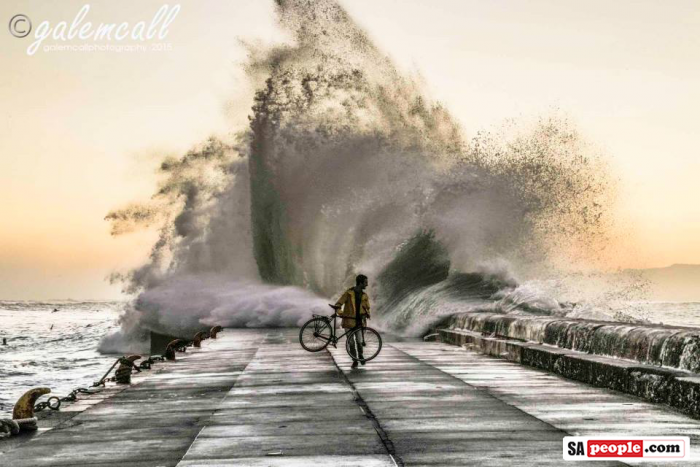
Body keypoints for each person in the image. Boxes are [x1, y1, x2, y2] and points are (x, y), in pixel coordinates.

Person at [333, 274, 370, 368]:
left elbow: (367, 308)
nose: (367, 284)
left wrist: (366, 314)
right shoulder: (349, 293)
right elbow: (338, 304)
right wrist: (342, 314)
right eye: (365, 282)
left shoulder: (365, 295)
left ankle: (360, 355)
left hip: (359, 322)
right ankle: (355, 360)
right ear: (360, 283)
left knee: (359, 341)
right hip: (348, 321)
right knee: (351, 342)